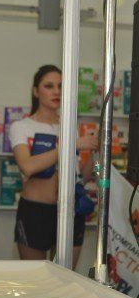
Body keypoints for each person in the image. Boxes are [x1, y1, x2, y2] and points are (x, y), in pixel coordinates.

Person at [9, 65, 97, 268]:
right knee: (34, 279)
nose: (56, 91)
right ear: (35, 91)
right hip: (35, 212)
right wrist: (71, 145)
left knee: (65, 279)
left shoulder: (70, 128)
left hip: (70, 210)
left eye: (60, 86)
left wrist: (94, 152)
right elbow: (27, 167)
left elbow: (81, 178)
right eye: (49, 86)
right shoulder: (21, 127)